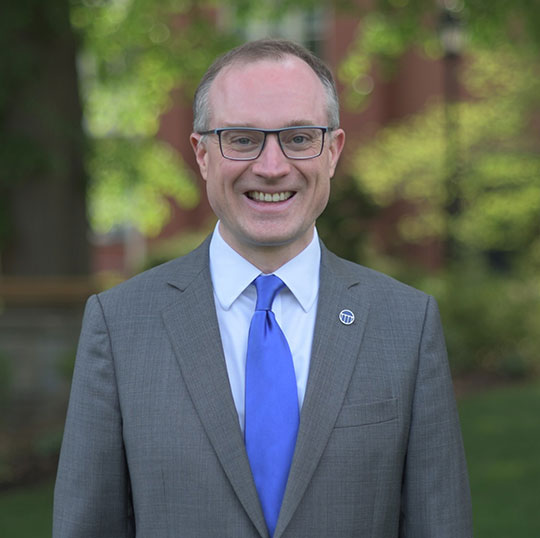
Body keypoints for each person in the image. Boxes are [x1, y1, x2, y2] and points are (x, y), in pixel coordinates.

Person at [53, 39, 472, 538]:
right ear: (202, 153)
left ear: (333, 151)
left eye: (298, 138)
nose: (272, 166)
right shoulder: (119, 325)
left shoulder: (406, 324)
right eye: (243, 138)